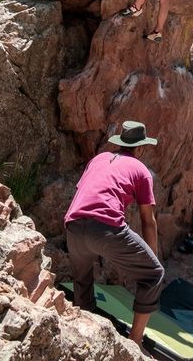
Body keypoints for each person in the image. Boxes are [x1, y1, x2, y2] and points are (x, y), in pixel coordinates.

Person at [64, 121, 164, 352]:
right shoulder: (141, 171)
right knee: (154, 274)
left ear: (121, 143)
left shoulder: (98, 159)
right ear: (140, 148)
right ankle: (135, 342)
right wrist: (151, 260)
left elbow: (88, 191)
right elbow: (149, 221)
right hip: (106, 229)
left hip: (74, 227)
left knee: (82, 280)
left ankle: (84, 332)